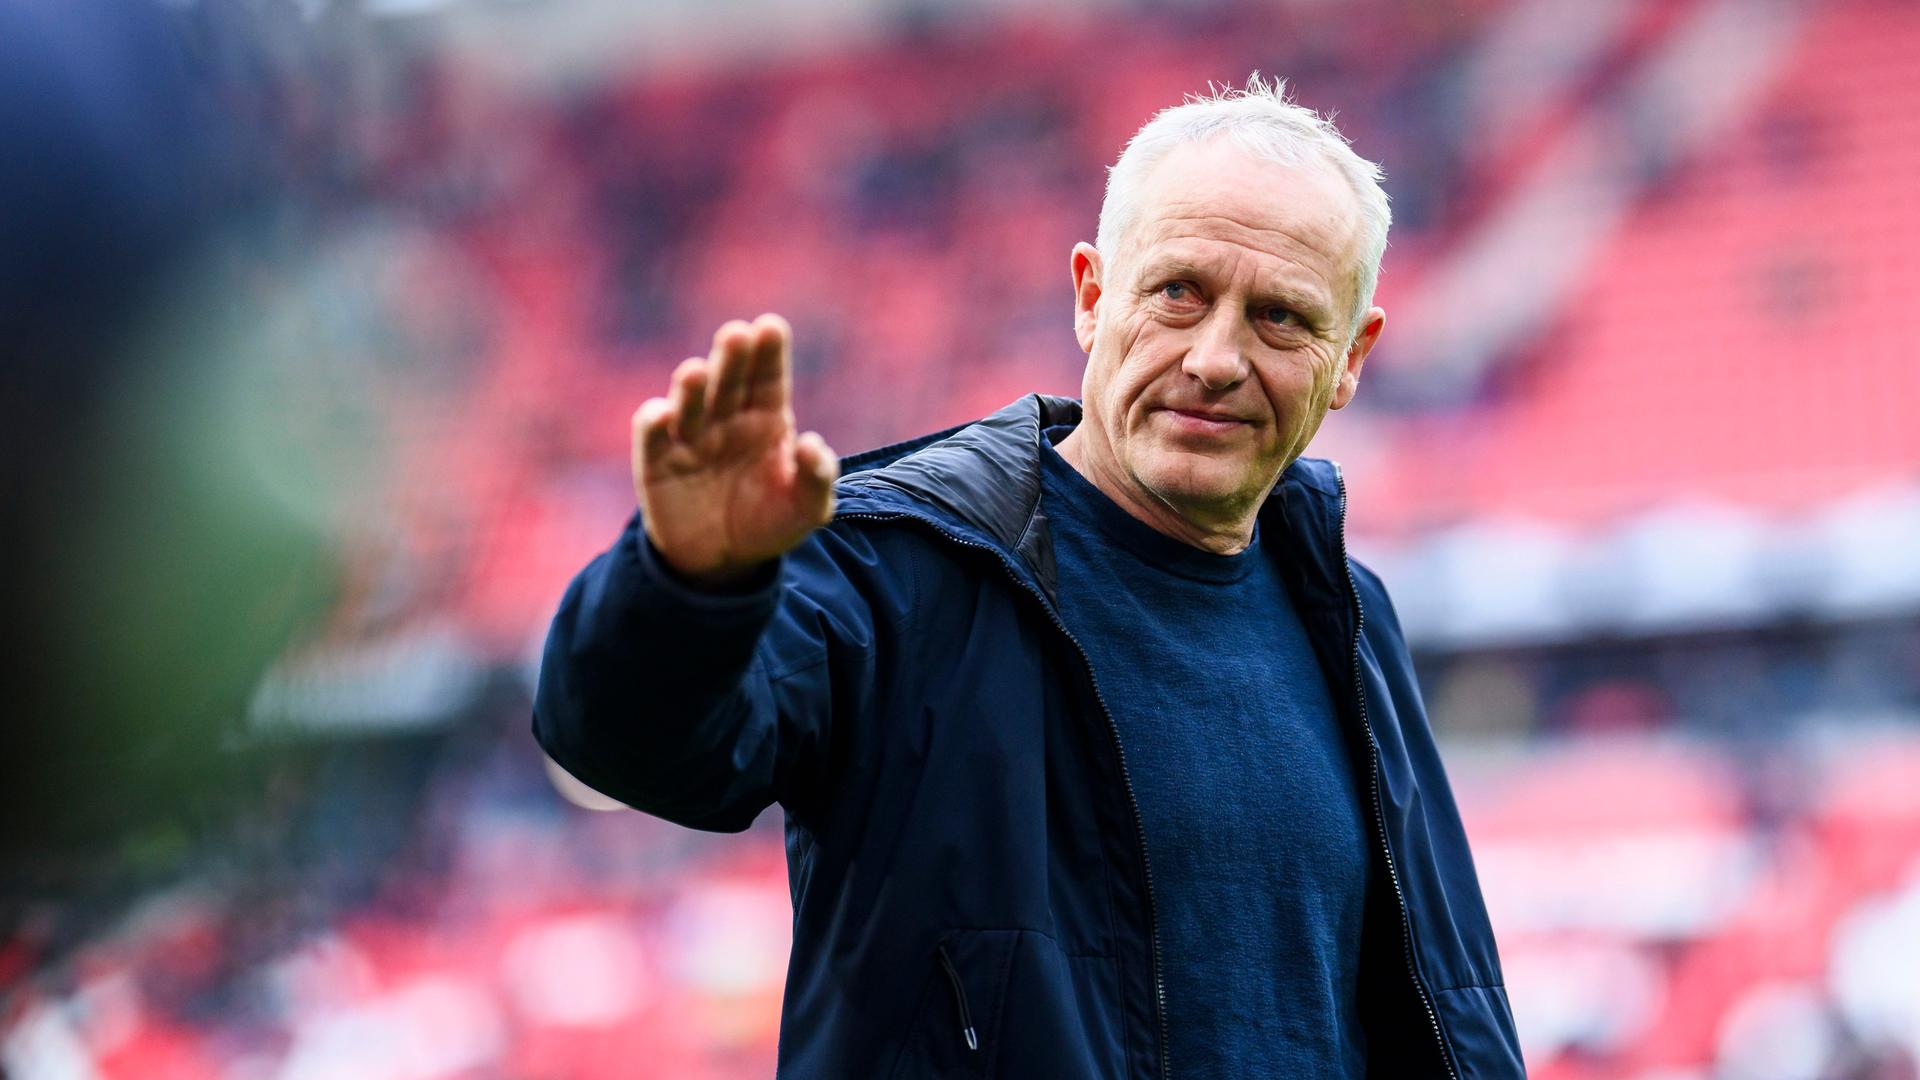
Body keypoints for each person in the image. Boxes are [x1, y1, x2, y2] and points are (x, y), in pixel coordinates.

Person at [535, 78, 1523, 1078]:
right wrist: (690, 587)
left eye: (1281, 318)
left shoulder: (1349, 614)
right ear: (1094, 297)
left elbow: (1437, 1005)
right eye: (1178, 292)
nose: (1217, 358)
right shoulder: (895, 565)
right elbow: (635, 750)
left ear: (1350, 359)